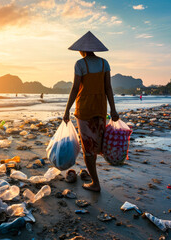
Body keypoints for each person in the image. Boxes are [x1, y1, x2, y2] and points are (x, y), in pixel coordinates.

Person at [63, 31, 119, 192]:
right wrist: (113, 110)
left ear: (82, 50)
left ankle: (95, 183)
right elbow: (108, 88)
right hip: (101, 109)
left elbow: (75, 89)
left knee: (88, 148)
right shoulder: (104, 63)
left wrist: (66, 110)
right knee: (96, 145)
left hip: (85, 109)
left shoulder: (80, 64)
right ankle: (94, 180)